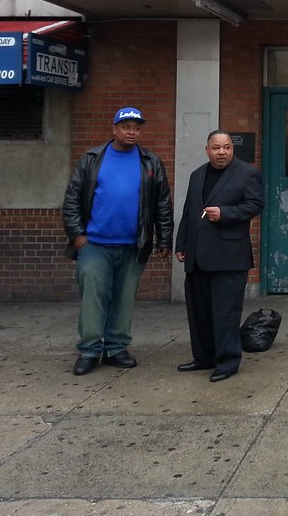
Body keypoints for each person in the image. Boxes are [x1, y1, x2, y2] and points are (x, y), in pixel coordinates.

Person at [62, 106, 173, 375]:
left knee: (124, 299)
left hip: (133, 246)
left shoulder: (150, 162)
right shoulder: (91, 159)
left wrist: (164, 240)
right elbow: (72, 200)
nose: (131, 132)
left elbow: (162, 204)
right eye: (126, 127)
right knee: (94, 298)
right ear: (114, 129)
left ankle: (115, 348)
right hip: (95, 245)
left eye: (136, 128)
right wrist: (77, 235)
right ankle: (89, 350)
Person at [175, 130, 264, 382]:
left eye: (226, 147)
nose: (222, 152)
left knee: (225, 313)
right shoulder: (197, 175)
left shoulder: (247, 173)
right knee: (199, 312)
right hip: (198, 256)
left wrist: (225, 214)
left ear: (232, 149)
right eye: (216, 148)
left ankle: (227, 362)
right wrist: (182, 243)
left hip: (229, 256)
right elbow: (189, 211)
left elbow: (255, 204)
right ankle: (203, 358)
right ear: (207, 150)